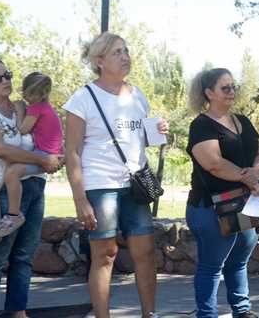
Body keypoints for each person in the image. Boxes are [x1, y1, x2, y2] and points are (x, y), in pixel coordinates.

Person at [63, 32, 167, 318]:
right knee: (105, 254)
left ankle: (150, 314)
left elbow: (138, 139)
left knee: (145, 253)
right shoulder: (82, 98)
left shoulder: (137, 95)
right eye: (117, 53)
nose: (125, 57)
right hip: (100, 185)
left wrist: (156, 133)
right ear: (99, 61)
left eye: (126, 51)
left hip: (135, 184)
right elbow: (71, 152)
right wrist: (80, 199)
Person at [0, 55, 63, 318]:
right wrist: (43, 159)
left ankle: (18, 311)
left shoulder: (22, 107)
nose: (5, 81)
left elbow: (43, 137)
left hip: (32, 186)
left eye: (7, 75)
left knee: (24, 256)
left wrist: (51, 157)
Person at [185, 68, 259, 318]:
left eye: (234, 87)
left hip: (244, 203)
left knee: (239, 260)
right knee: (211, 266)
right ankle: (206, 314)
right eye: (225, 88)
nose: (232, 92)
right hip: (211, 208)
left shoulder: (243, 121)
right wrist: (248, 177)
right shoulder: (201, 126)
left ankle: (242, 310)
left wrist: (257, 170)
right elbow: (214, 164)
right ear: (209, 92)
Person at [0, 72, 63, 238]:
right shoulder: (46, 108)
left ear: (26, 90)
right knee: (12, 168)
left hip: (45, 154)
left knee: (12, 172)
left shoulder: (36, 108)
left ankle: (13, 215)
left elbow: (22, 129)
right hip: (47, 153)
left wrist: (20, 110)